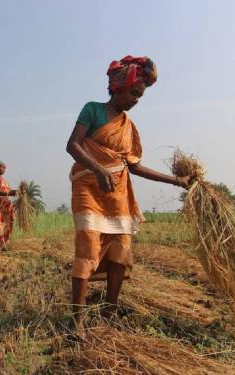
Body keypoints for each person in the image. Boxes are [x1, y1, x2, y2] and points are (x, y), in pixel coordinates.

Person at [66, 55, 191, 326]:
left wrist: (176, 181)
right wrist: (98, 170)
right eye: (134, 93)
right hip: (88, 186)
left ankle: (110, 311)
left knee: (120, 251)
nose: (136, 100)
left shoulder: (129, 128)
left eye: (140, 97)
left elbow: (134, 166)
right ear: (118, 87)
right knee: (88, 245)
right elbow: (73, 145)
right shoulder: (93, 110)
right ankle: (76, 321)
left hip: (118, 192)